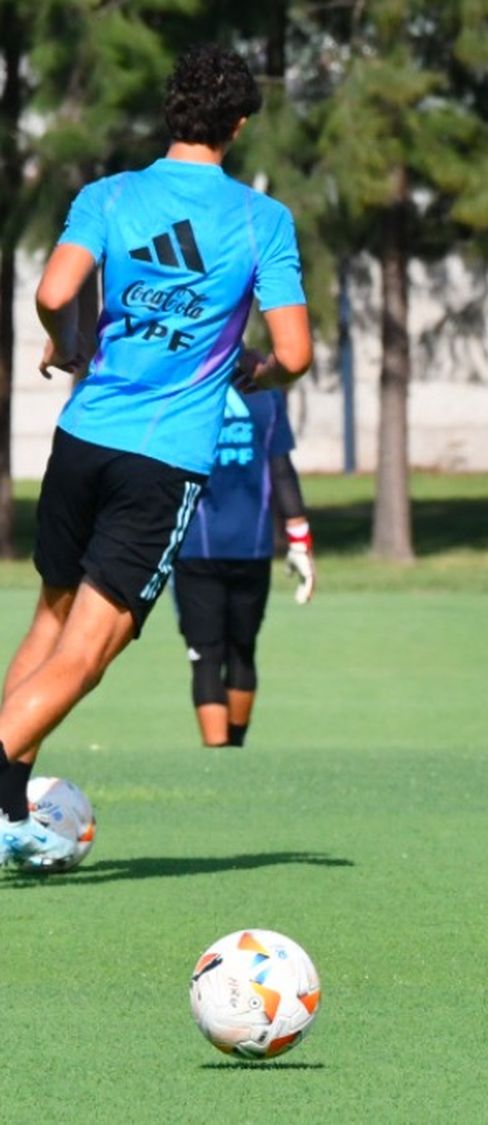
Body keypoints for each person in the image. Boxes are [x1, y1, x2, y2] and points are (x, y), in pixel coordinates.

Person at [0, 43, 311, 870]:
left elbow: (55, 292)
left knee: (51, 614)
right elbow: (297, 349)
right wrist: (260, 367)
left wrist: (67, 345)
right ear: (239, 125)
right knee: (88, 654)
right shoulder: (260, 221)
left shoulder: (108, 195)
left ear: (171, 110)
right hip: (161, 460)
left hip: (81, 439)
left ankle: (6, 806)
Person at [173, 385, 315, 748]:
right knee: (242, 649)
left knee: (206, 656)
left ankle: (219, 754)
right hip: (251, 548)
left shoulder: (185, 391)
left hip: (196, 549)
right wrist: (300, 540)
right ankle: (233, 747)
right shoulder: (266, 398)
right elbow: (282, 471)